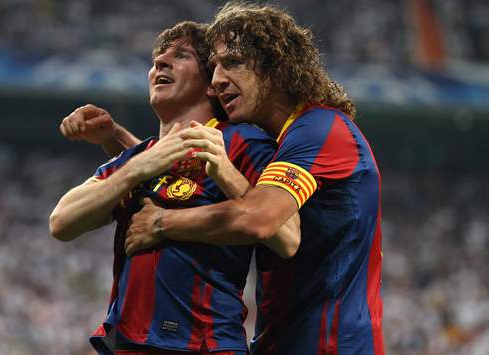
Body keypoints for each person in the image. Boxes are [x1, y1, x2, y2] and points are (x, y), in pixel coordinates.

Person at [124, 3, 385, 355]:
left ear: (275, 65)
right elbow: (191, 182)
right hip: (283, 342)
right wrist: (116, 138)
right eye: (214, 67)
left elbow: (258, 218)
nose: (216, 79)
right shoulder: (281, 142)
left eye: (232, 62)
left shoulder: (322, 130)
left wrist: (161, 223)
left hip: (332, 345)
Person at [49, 21, 299, 355]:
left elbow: (286, 233)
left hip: (204, 343)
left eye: (180, 56)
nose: (160, 65)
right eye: (156, 60)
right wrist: (137, 165)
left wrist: (165, 220)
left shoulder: (240, 142)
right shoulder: (139, 157)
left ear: (211, 84)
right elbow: (62, 222)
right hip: (129, 343)